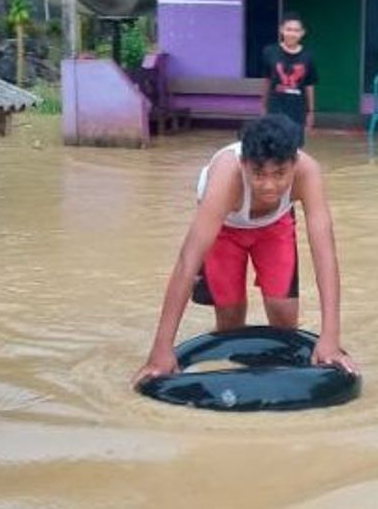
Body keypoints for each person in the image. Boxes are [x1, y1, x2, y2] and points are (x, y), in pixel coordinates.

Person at [132, 115, 357, 386]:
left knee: (284, 314)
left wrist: (331, 338)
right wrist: (161, 350)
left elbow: (325, 254)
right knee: (229, 319)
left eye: (280, 174)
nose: (270, 186)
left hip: (275, 226)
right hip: (224, 229)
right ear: (243, 164)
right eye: (259, 174)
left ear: (294, 165)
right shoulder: (226, 178)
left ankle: (278, 380)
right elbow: (187, 262)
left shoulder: (308, 172)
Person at [261, 13, 317, 146]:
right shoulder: (270, 52)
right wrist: (263, 106)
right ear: (281, 30)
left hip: (297, 110)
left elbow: (309, 85)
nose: (292, 34)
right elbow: (267, 81)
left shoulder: (308, 56)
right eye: (288, 29)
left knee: (294, 149)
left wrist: (311, 112)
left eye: (296, 30)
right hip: (275, 109)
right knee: (272, 147)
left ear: (302, 33)